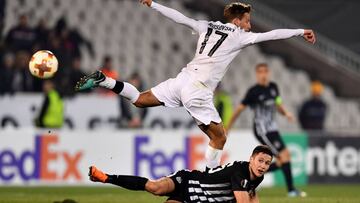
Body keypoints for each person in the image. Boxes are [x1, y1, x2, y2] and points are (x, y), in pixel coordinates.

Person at [75, 0, 316, 169]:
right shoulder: (240, 35)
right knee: (220, 138)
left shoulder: (206, 25)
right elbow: (271, 35)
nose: (250, 25)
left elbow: (181, 18)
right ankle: (210, 178)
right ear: (238, 20)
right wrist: (300, 30)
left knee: (139, 100)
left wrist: (154, 4)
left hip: (182, 80)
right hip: (197, 89)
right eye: (248, 20)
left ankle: (103, 80)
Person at [89, 145, 273, 203]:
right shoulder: (240, 171)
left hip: (194, 200)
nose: (263, 166)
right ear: (251, 159)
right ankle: (106, 177)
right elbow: (243, 201)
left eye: (267, 163)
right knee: (155, 187)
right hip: (189, 181)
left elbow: (252, 193)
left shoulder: (257, 176)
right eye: (260, 161)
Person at [226, 63, 306, 197]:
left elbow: (278, 103)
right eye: (260, 72)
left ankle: (252, 178)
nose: (263, 74)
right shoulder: (253, 92)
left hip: (273, 129)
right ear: (257, 74)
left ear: (268, 73)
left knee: (284, 158)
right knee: (283, 157)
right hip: (262, 129)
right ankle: (291, 190)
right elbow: (239, 109)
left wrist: (286, 113)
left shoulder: (273, 88)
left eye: (265, 71)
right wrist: (227, 127)